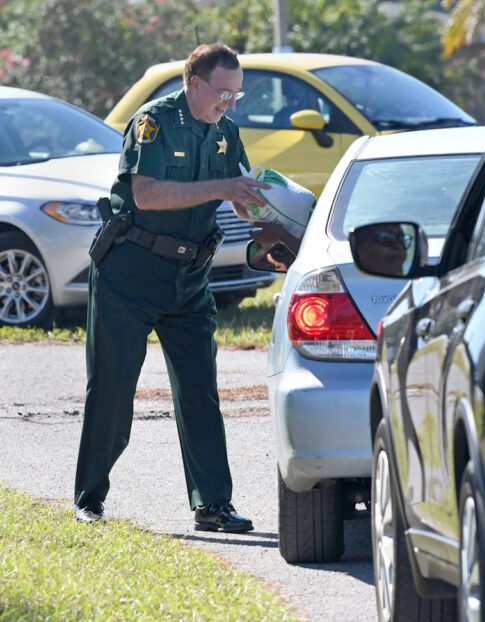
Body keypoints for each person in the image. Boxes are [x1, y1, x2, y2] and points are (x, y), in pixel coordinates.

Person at [74, 43, 273, 532]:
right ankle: (89, 498)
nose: (229, 103)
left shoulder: (225, 132)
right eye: (223, 92)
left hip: (190, 278)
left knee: (200, 389)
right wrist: (222, 189)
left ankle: (213, 504)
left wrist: (271, 217)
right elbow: (146, 193)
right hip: (131, 273)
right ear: (194, 83)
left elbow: (240, 193)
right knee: (113, 387)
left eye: (237, 94)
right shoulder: (154, 121)